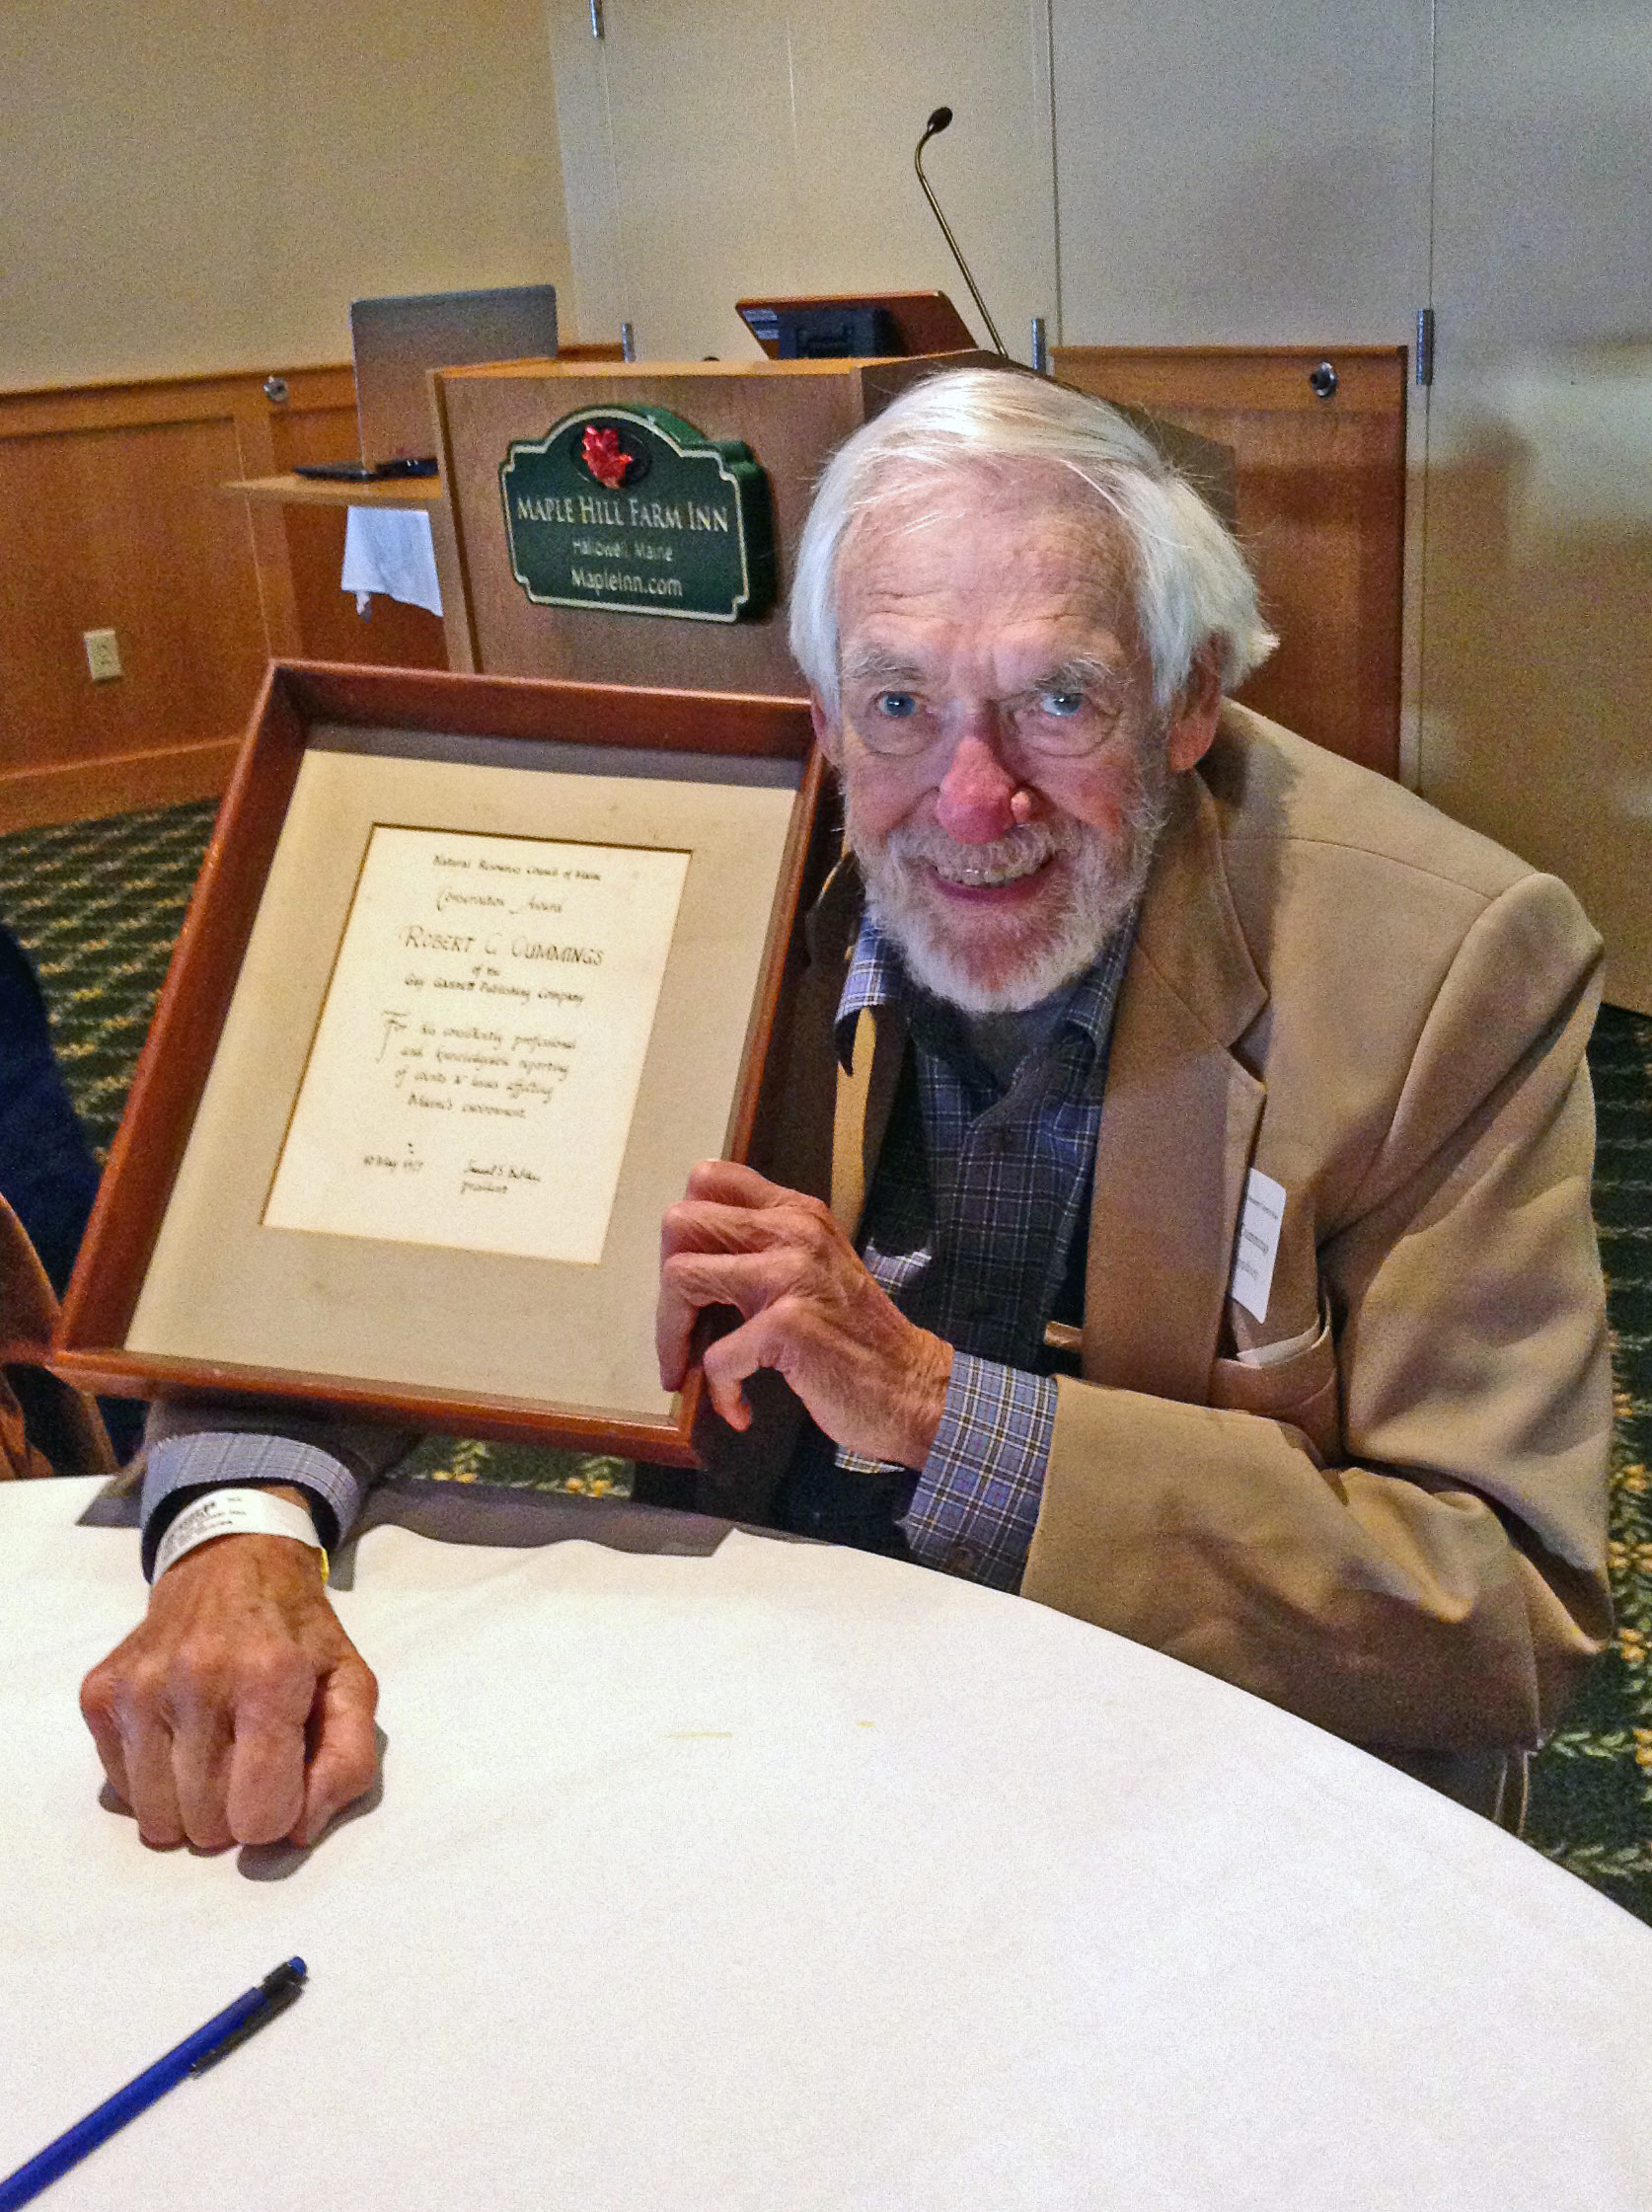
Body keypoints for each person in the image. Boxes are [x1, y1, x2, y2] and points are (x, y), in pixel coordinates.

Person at [81, 368, 1612, 1850]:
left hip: (1195, 1764)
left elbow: (1506, 1612)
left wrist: (942, 1411)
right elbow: (326, 1227)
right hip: (762, 1697)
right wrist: (241, 1537)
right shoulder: (675, 845)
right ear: (818, 713)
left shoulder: (1442, 968)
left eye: (1060, 700)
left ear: (1189, 697)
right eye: (897, 701)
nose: (969, 799)